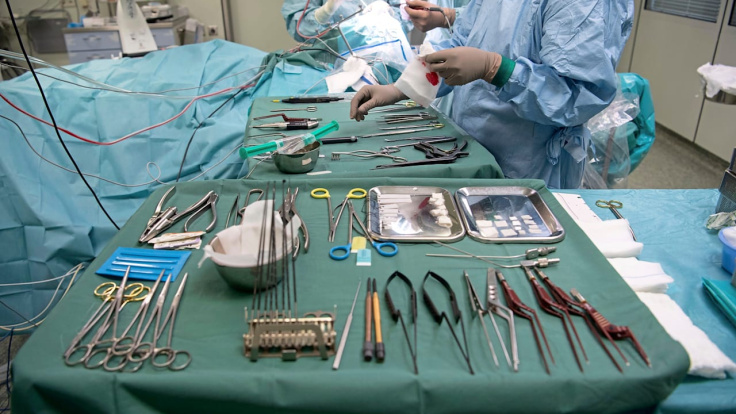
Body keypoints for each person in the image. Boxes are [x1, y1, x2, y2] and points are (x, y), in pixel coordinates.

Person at [350, 0, 635, 189]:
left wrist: (497, 69)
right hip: (470, 148)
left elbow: (576, 96)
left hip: (528, 165)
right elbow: (462, 42)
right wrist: (404, 87)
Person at [281, 0, 469, 43]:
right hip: (327, 66)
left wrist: (389, 14)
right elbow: (298, 28)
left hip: (383, 63)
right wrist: (325, 12)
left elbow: (406, 14)